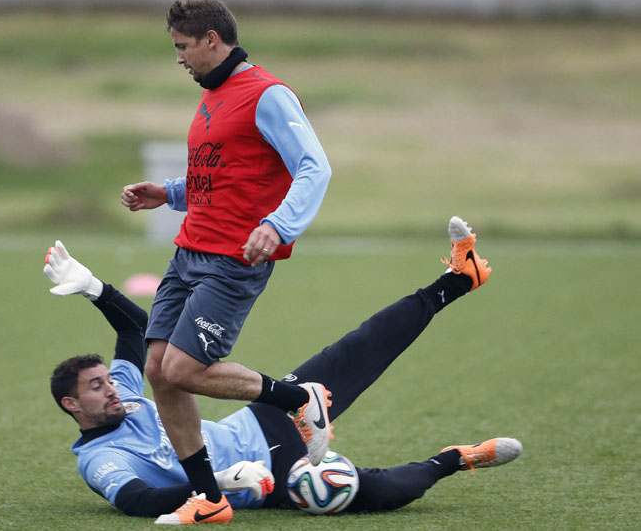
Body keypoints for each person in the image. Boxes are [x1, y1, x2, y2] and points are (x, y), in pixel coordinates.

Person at [45, 216, 521, 524]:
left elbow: (137, 332)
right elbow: (139, 502)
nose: (112, 391)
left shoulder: (124, 395)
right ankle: (456, 459)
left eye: (107, 380)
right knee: (375, 491)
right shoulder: (99, 459)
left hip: (261, 420)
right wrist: (223, 482)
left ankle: (457, 280)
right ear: (72, 405)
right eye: (96, 387)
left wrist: (93, 287)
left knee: (360, 347)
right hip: (271, 476)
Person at [118, 0, 333, 522]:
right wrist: (167, 194)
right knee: (159, 371)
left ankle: (299, 400)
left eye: (183, 47)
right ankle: (209, 499)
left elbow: (315, 168)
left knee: (186, 368)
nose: (179, 59)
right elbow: (223, 176)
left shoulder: (268, 94)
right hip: (189, 249)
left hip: (234, 258)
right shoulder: (213, 94)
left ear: (212, 40)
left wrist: (278, 225)